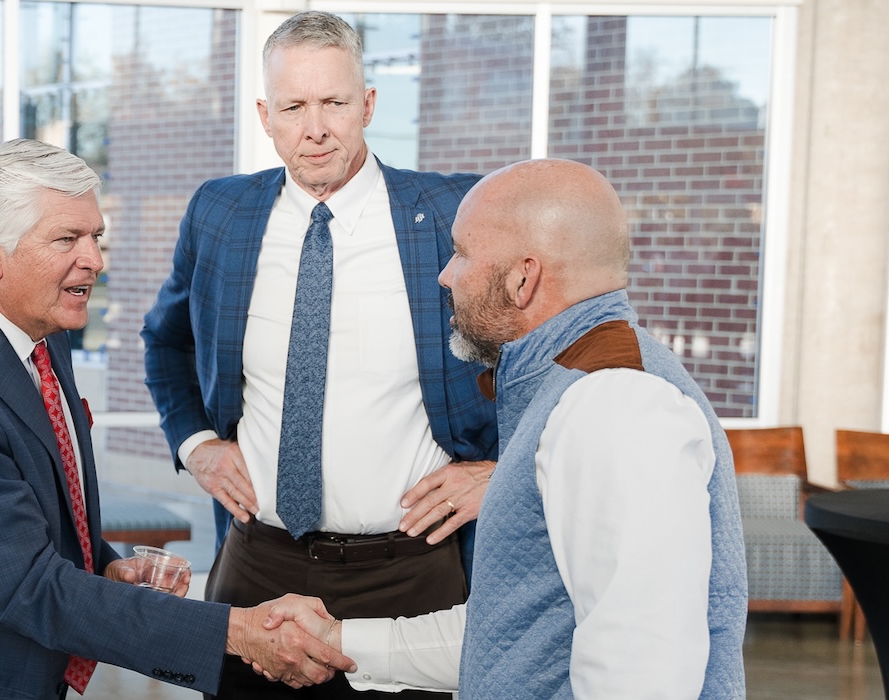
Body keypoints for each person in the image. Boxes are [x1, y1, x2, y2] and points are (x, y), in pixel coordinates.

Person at [0, 139, 353, 700]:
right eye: (67, 238)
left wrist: (103, 569)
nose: (95, 258)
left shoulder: (41, 329)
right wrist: (237, 631)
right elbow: (32, 589)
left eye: (96, 236)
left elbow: (35, 517)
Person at [268, 159, 749, 698]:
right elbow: (514, 637)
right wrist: (335, 638)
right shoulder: (568, 383)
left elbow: (639, 676)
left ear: (524, 279)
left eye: (463, 253)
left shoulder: (616, 403)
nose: (446, 275)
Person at [140, 11, 496, 698]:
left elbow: (548, 353)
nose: (316, 128)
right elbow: (166, 342)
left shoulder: (457, 210)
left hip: (412, 572)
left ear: (367, 105)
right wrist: (196, 443)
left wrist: (501, 471)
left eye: (334, 102)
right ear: (265, 114)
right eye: (294, 107)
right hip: (257, 565)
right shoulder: (219, 214)